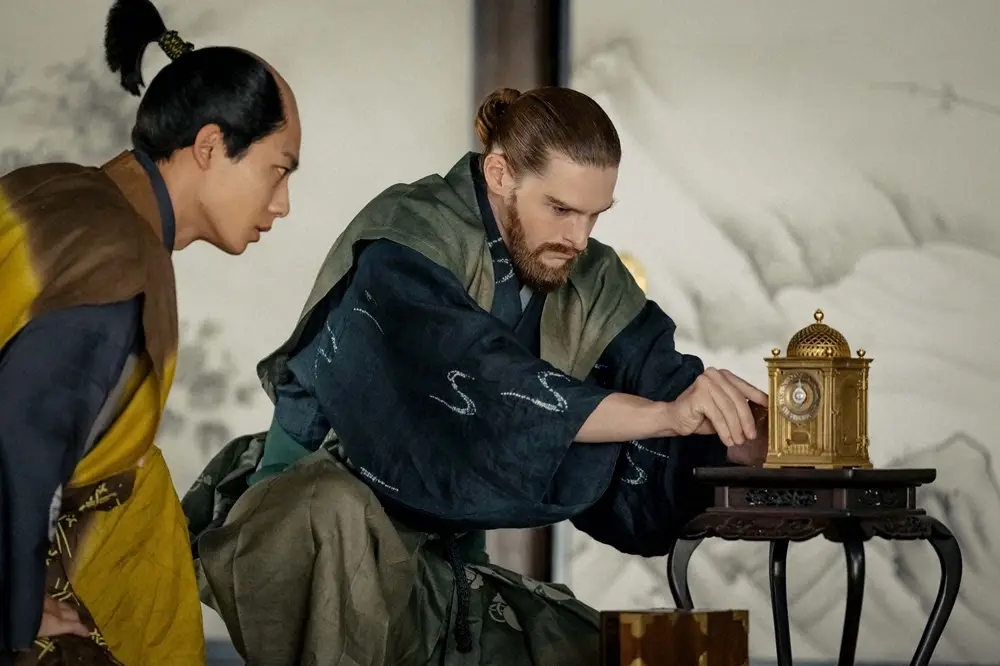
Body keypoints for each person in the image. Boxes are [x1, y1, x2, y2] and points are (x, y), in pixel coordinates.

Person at [183, 86, 764, 665]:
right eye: (561, 209)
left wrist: (745, 437)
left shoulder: (588, 274)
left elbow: (663, 387)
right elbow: (480, 378)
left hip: (444, 572)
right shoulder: (409, 237)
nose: (579, 238)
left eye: (594, 215)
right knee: (334, 516)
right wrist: (662, 416)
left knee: (665, 656)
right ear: (499, 173)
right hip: (313, 533)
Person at [0, 0, 301, 663]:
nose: (282, 204)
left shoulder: (60, 192)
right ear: (210, 147)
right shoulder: (113, 258)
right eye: (278, 170)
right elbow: (22, 445)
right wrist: (16, 610)